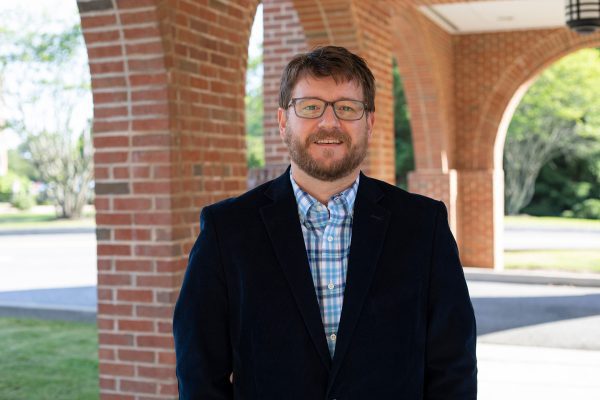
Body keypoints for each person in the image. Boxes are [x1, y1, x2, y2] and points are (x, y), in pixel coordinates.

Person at [173, 45, 477, 399]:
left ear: (371, 122)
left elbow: (453, 366)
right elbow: (199, 371)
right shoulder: (227, 230)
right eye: (310, 107)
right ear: (284, 121)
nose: (329, 122)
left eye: (347, 108)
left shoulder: (425, 226)